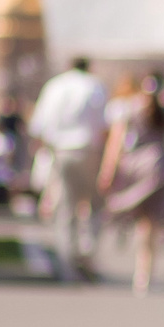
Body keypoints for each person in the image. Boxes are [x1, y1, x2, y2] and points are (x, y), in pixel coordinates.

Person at [29, 55, 110, 281]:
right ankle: (87, 252)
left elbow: (39, 125)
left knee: (66, 208)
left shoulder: (55, 86)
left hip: (61, 151)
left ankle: (67, 263)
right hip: (88, 149)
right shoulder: (95, 86)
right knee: (94, 205)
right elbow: (104, 125)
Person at [99, 76, 164, 295]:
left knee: (139, 220)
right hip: (159, 167)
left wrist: (107, 171)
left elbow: (115, 143)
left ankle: (138, 264)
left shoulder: (128, 110)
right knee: (152, 223)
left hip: (133, 168)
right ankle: (146, 273)